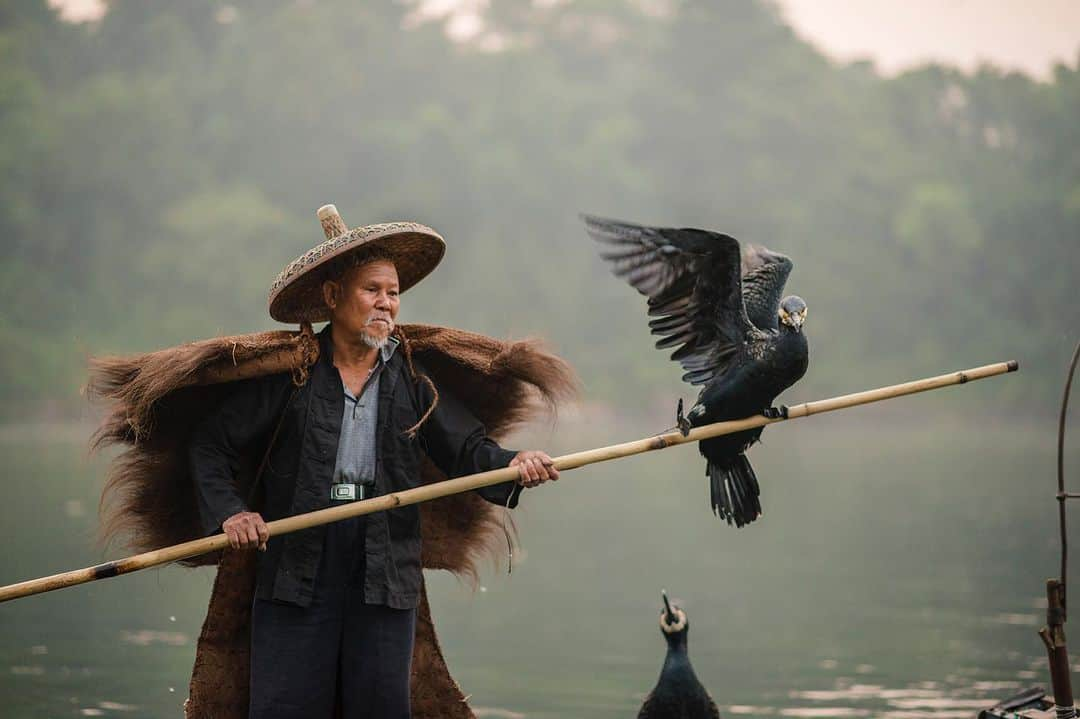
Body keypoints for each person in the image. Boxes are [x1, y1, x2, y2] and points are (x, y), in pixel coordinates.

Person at [189, 206, 559, 719]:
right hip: (297, 567)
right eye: (372, 290)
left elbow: (468, 450)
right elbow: (211, 445)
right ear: (332, 296)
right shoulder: (291, 375)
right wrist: (232, 513)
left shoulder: (411, 378)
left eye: (393, 292)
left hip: (385, 569)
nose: (386, 304)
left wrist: (515, 463)